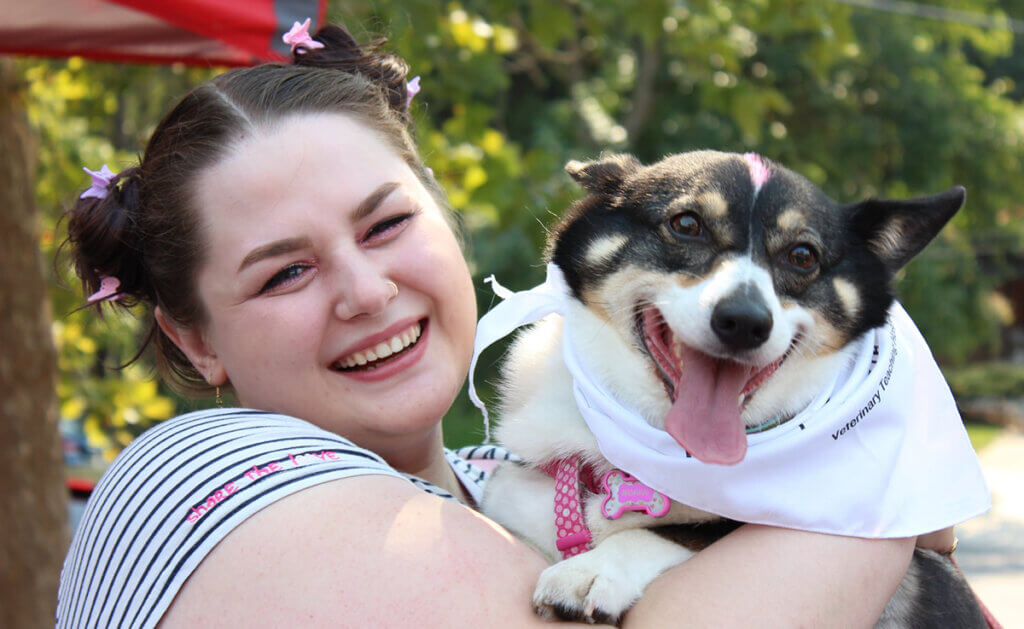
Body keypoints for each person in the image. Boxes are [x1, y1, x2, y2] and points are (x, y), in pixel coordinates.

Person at [57, 22, 954, 628]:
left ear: (445, 219)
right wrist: (883, 466)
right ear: (193, 336)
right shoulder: (190, 476)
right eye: (286, 270)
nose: (366, 292)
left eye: (386, 225)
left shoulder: (514, 482)